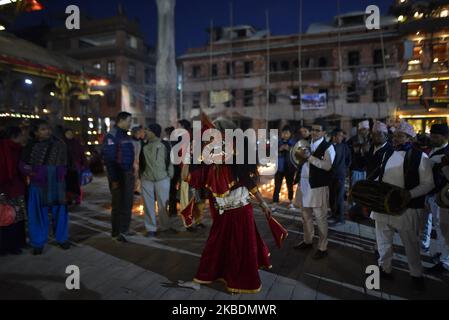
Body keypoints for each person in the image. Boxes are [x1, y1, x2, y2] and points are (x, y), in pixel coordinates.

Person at [181, 117, 272, 294]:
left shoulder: (235, 159)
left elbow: (249, 182)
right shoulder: (209, 164)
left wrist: (263, 204)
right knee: (214, 246)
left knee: (239, 248)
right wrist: (187, 155)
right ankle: (201, 279)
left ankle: (238, 282)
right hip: (223, 213)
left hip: (240, 211)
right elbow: (188, 177)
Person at [372, 121, 434, 290]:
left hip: (406, 207)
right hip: (383, 206)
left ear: (410, 138)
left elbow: (428, 183)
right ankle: (385, 268)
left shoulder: (421, 157)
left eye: (401, 135)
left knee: (410, 243)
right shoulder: (388, 154)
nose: (397, 138)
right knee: (383, 240)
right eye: (396, 135)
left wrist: (410, 195)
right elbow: (382, 176)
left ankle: (416, 274)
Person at [20, 120, 70, 255]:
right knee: (37, 213)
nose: (47, 131)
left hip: (57, 183)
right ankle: (38, 242)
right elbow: (22, 165)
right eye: (42, 129)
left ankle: (62, 238)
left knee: (60, 212)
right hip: (38, 185)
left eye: (48, 128)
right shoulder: (30, 146)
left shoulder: (59, 144)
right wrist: (34, 173)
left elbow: (67, 163)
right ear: (35, 132)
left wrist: (61, 173)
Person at [294, 121, 335, 259]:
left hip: (318, 186)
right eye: (313, 130)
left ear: (324, 133)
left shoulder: (328, 147)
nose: (314, 132)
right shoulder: (305, 143)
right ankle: (308, 240)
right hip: (304, 184)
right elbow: (298, 160)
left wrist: (309, 157)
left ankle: (322, 247)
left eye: (318, 130)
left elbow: (328, 166)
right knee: (305, 216)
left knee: (320, 217)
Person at [102, 112, 135, 243]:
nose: (130, 123)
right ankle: (116, 233)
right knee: (118, 204)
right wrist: (114, 179)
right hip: (118, 174)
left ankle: (124, 229)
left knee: (128, 202)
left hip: (127, 173)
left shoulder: (125, 135)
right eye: (129, 121)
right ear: (121, 120)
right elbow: (109, 160)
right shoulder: (112, 135)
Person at [140, 124, 175, 237]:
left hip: (162, 178)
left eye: (147, 129)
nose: (145, 132)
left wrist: (170, 174)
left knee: (163, 204)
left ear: (154, 132)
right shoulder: (143, 145)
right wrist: (141, 175)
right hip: (147, 178)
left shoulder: (164, 144)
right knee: (148, 205)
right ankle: (151, 229)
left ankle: (165, 226)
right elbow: (140, 161)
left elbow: (170, 160)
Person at [421, 124, 449, 257]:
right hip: (428, 193)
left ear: (445, 137)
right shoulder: (433, 149)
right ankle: (424, 245)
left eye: (436, 137)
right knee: (426, 222)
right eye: (432, 136)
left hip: (439, 195)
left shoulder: (447, 152)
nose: (432, 139)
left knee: (441, 227)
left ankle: (442, 256)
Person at [0, 126, 28, 255]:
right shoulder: (5, 148)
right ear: (15, 135)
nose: (24, 136)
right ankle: (9, 245)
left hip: (17, 187)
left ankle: (14, 244)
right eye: (22, 134)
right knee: (9, 217)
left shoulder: (19, 149)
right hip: (7, 187)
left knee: (14, 217)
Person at [328, 128, 351, 226]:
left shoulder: (344, 146)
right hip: (330, 174)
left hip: (340, 174)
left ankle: (340, 218)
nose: (341, 137)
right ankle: (334, 214)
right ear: (334, 136)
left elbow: (348, 159)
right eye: (339, 135)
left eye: (342, 136)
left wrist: (344, 169)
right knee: (332, 195)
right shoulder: (329, 145)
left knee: (339, 196)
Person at [272, 126, 296, 210]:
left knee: (290, 186)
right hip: (279, 168)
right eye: (283, 133)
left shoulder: (293, 143)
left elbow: (296, 153)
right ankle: (274, 203)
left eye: (287, 133)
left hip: (289, 168)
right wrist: (279, 149)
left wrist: (289, 149)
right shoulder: (278, 142)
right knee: (277, 186)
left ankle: (291, 202)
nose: (285, 135)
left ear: (290, 134)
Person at [63, 128, 87, 205]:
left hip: (76, 166)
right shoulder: (62, 143)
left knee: (77, 184)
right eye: (68, 133)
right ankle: (69, 198)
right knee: (68, 184)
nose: (70, 135)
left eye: (71, 133)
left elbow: (82, 154)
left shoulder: (77, 143)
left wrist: (84, 164)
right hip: (66, 167)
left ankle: (77, 198)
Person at [348, 120, 370, 187]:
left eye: (366, 129)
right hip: (356, 169)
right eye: (362, 129)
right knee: (355, 188)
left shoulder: (371, 139)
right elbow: (348, 151)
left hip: (367, 169)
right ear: (359, 130)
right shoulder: (353, 139)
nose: (364, 131)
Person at [131, 126, 145, 196]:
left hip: (139, 161)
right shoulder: (130, 141)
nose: (139, 134)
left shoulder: (141, 141)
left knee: (138, 176)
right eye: (138, 133)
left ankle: (137, 189)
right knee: (134, 176)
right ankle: (133, 189)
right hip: (132, 161)